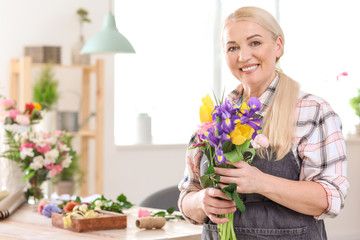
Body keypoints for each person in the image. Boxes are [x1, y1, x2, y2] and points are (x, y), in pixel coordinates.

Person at [178, 6, 349, 240]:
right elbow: (188, 195)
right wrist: (201, 201)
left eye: (255, 43)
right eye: (233, 47)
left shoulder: (312, 111)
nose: (243, 56)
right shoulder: (215, 116)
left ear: (278, 45)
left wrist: (260, 182)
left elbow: (331, 197)